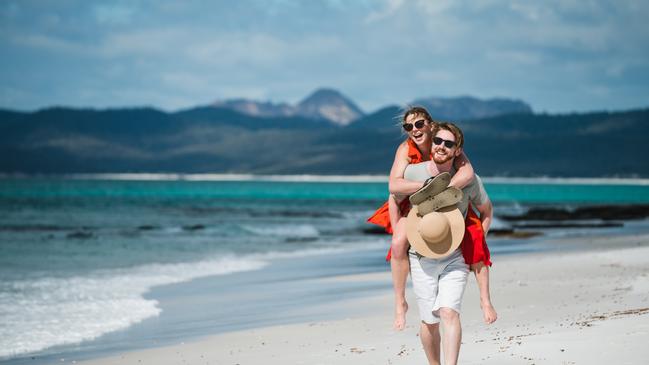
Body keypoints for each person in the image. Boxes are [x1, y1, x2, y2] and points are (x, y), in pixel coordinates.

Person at [367, 106, 476, 331]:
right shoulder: (405, 149)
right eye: (408, 126)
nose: (414, 130)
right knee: (398, 243)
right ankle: (400, 302)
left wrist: (443, 190)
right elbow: (393, 186)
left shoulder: (444, 140)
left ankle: (480, 298)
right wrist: (426, 187)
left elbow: (467, 173)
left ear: (430, 124)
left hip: (441, 203)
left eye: (418, 124)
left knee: (471, 240)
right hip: (408, 204)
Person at [407, 121, 494, 365]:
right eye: (437, 141)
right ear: (431, 143)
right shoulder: (414, 173)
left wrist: (478, 240)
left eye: (449, 143)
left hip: (454, 258)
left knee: (449, 312)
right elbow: (394, 196)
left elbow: (487, 210)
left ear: (458, 150)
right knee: (429, 322)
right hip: (420, 257)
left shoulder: (470, 179)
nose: (441, 146)